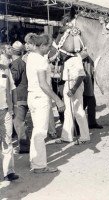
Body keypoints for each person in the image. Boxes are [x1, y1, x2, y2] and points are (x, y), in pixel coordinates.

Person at [26, 33, 65, 173]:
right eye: (48, 46)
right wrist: (57, 99)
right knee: (41, 133)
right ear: (41, 45)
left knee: (36, 130)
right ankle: (40, 166)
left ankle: (34, 160)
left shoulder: (30, 56)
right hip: (41, 97)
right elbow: (43, 84)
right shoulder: (41, 60)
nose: (49, 48)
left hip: (32, 96)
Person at [56, 53, 90, 145]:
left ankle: (85, 137)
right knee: (68, 111)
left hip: (75, 84)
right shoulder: (65, 59)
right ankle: (66, 137)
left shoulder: (76, 58)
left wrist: (74, 88)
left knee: (78, 110)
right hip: (68, 83)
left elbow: (81, 75)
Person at [9, 41, 30, 154]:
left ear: (12, 51)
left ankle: (25, 147)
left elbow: (13, 79)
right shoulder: (22, 62)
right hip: (23, 96)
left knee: (19, 123)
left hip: (19, 97)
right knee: (19, 122)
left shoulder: (16, 63)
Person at [0, 62, 19, 181]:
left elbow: (13, 88)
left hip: (5, 110)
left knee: (7, 140)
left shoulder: (5, 70)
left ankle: (9, 172)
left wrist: (15, 106)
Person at [82, 55, 103, 129]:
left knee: (92, 102)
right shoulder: (81, 49)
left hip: (90, 79)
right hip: (83, 80)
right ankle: (78, 126)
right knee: (83, 103)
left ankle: (92, 123)